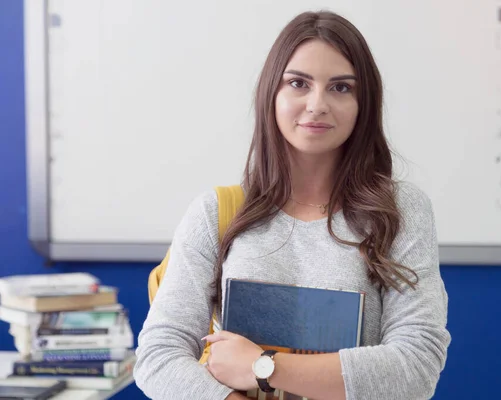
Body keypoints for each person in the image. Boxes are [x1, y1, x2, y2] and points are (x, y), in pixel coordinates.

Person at [134, 10, 451, 400]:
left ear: (363, 103)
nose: (317, 104)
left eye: (340, 88)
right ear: (272, 93)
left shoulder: (400, 212)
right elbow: (158, 356)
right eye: (298, 83)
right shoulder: (216, 213)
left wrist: (262, 366)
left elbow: (416, 367)